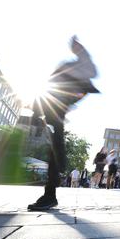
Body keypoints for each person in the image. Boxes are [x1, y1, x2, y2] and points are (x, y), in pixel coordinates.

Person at [28, 36, 99, 211]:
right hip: (51, 106)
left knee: (55, 147)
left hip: (56, 108)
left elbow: (91, 73)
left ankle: (50, 193)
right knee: (55, 147)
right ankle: (51, 190)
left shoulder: (79, 65)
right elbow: (50, 85)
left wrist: (81, 50)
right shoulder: (67, 65)